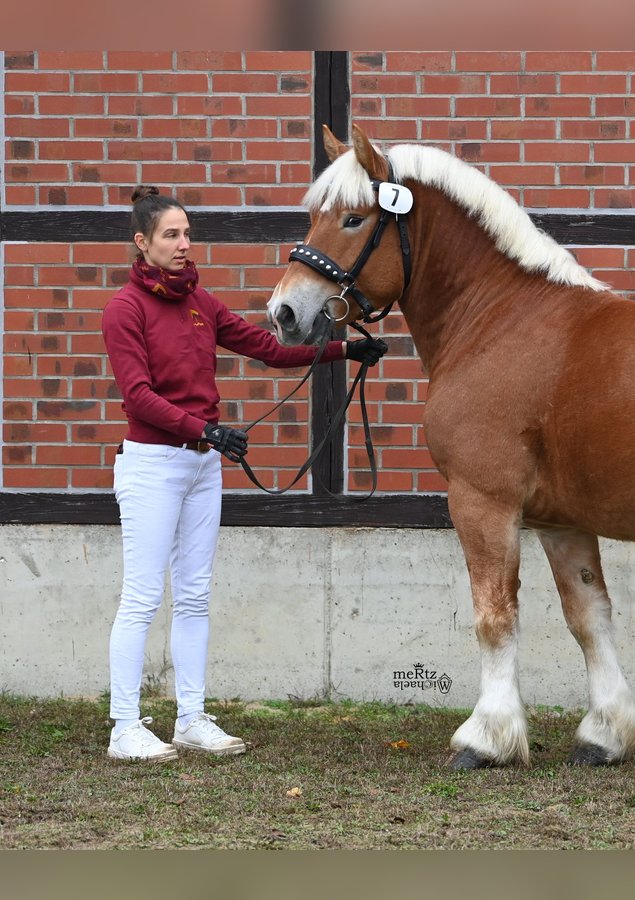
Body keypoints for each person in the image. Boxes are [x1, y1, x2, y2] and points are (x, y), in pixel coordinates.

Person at [101, 185, 387, 761]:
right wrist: (204, 430)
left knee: (195, 595)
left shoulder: (200, 303)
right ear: (142, 243)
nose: (184, 244)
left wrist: (343, 353)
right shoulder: (125, 310)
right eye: (171, 235)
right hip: (153, 466)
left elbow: (268, 349)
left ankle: (190, 717)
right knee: (141, 597)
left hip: (202, 467)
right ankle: (124, 725)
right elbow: (138, 397)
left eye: (187, 233)